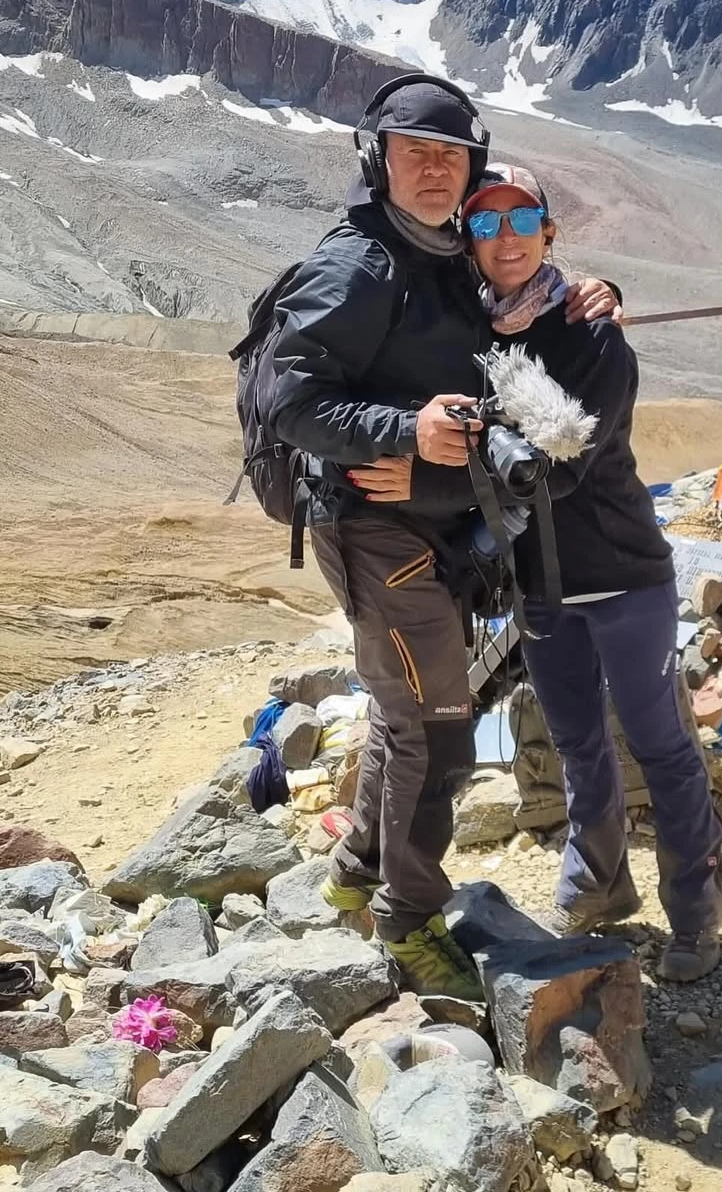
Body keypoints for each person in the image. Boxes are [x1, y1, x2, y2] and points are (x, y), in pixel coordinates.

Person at [268, 74, 618, 1000]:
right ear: (375, 159)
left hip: (424, 527)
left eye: (450, 155)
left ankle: (356, 879)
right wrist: (405, 436)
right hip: (377, 531)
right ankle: (410, 921)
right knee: (439, 731)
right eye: (414, 153)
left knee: (400, 714)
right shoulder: (363, 267)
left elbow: (499, 339)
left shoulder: (444, 254)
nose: (433, 170)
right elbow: (288, 398)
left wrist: (591, 291)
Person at [457, 163, 722, 982]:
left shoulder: (593, 333)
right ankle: (596, 885)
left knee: (660, 743)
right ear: (467, 243)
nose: (503, 237)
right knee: (578, 746)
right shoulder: (470, 335)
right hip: (541, 587)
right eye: (483, 223)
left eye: (519, 218)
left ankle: (695, 910)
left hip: (622, 576)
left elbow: (562, 466)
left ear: (549, 230)